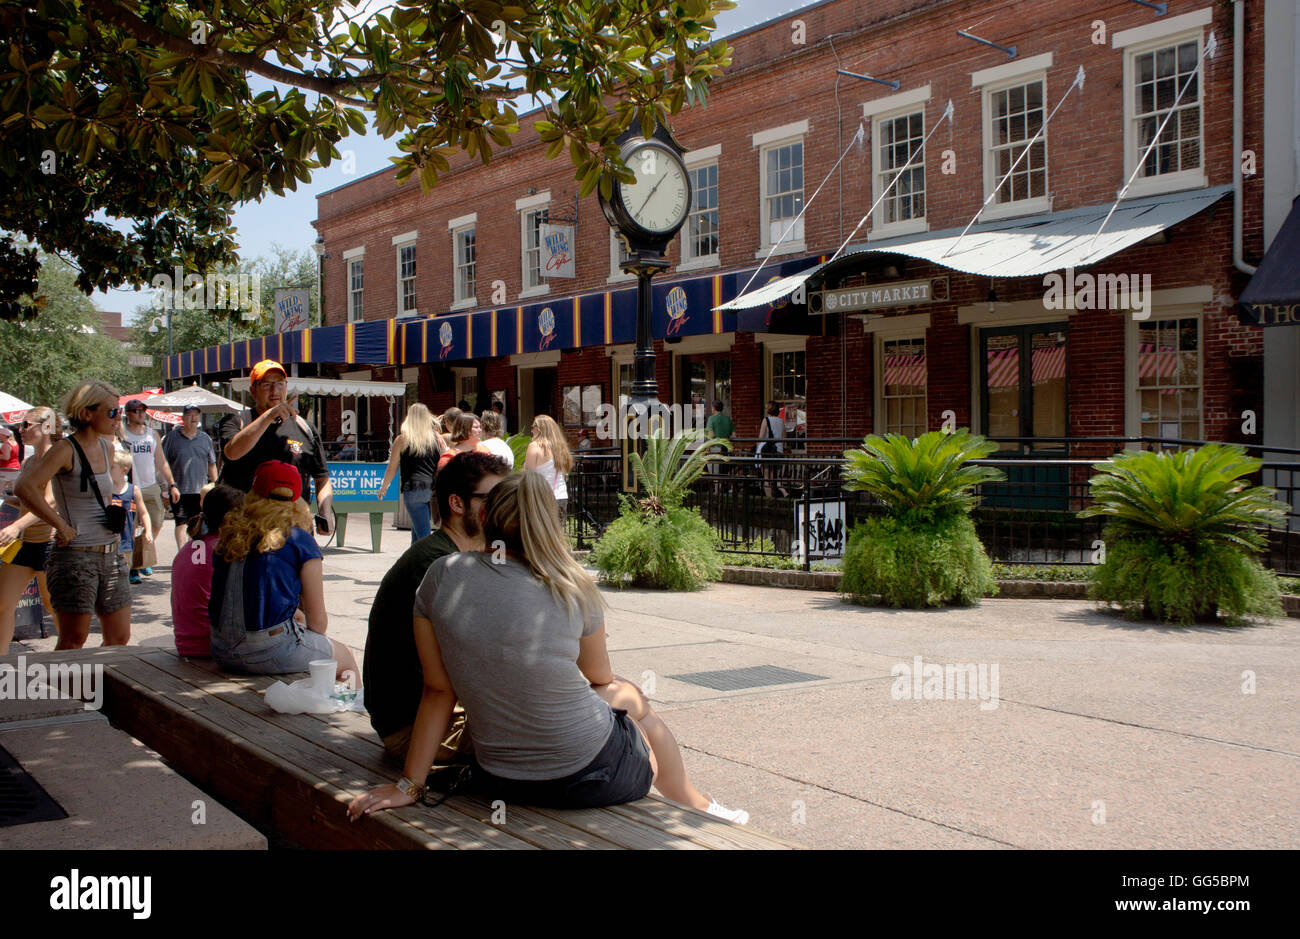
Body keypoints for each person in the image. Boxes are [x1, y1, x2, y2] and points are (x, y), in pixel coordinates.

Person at [347, 471, 748, 823]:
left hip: (502, 779)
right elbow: (599, 677)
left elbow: (438, 691)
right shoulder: (572, 585)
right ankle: (700, 806)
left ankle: (699, 803)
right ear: (551, 524)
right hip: (591, 775)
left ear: (485, 517)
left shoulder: (441, 576)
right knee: (630, 703)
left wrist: (409, 787)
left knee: (624, 699)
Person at [363, 452, 510, 766]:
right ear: (457, 504)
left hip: (423, 720)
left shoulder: (449, 556)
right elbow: (485, 665)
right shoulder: (440, 565)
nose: (505, 507)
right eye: (494, 498)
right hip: (415, 732)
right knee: (581, 728)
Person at [209, 460, 358, 679]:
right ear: (297, 499)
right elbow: (318, 624)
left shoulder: (230, 534)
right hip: (268, 649)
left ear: (253, 493)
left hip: (219, 646)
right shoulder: (300, 541)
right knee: (345, 658)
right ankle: (355, 711)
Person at [15, 380, 133, 649]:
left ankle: (103, 690)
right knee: (73, 641)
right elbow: (25, 487)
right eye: (112, 412)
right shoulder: (65, 450)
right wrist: (60, 524)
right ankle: (67, 691)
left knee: (119, 638)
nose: (117, 418)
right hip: (76, 558)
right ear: (86, 413)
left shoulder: (108, 447)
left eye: (119, 412)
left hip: (111, 554)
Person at [216, 360, 334, 534]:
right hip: (245, 528)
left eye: (280, 384)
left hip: (294, 529)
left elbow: (322, 478)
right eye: (267, 385)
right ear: (253, 391)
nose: (275, 391)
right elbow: (232, 453)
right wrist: (268, 417)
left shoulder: (305, 428)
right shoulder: (237, 421)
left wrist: (325, 514)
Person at [0, 407, 57, 655]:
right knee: (2, 605)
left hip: (50, 544)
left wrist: (16, 526)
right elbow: (25, 502)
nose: (20, 430)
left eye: (26, 425)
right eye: (20, 426)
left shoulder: (57, 459)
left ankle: (73, 662)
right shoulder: (28, 461)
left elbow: (50, 502)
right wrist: (4, 499)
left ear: (46, 427)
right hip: (25, 544)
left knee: (54, 607)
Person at [171, 484, 243, 658]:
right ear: (231, 519)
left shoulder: (189, 547)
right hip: (214, 647)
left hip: (187, 644)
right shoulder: (225, 552)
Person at [120, 398, 180, 583]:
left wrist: (171, 484)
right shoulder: (122, 434)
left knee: (156, 522)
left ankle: (142, 555)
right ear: (128, 414)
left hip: (150, 485)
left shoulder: (151, 434)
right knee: (130, 528)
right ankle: (132, 567)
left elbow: (161, 461)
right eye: (136, 411)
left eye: (142, 410)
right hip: (130, 487)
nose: (140, 414)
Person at [378, 404, 445, 544]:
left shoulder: (402, 440)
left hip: (412, 488)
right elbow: (444, 460)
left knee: (423, 535)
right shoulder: (437, 438)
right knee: (418, 531)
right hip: (432, 490)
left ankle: (426, 563)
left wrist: (384, 486)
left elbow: (392, 467)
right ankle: (413, 564)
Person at [160, 404, 218, 550]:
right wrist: (167, 487)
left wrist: (215, 485)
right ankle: (181, 552)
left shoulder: (205, 438)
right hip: (179, 489)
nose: (194, 418)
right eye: (190, 415)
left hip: (200, 490)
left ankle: (195, 554)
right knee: (180, 521)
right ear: (183, 418)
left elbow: (211, 464)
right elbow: (162, 463)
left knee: (197, 523)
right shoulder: (172, 438)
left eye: (196, 415)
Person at [110, 449, 151, 585]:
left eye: (112, 467)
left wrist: (148, 531)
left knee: (123, 579)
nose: (108, 470)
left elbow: (144, 512)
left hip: (127, 541)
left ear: (124, 470)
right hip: (108, 542)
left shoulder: (133, 490)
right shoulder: (106, 490)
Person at [524, 414, 571, 523]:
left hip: (541, 498)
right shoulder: (560, 448)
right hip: (561, 496)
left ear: (539, 429)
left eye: (532, 427)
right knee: (557, 535)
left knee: (539, 537)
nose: (531, 430)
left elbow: (529, 476)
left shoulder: (534, 446)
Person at [757, 399, 786, 498]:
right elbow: (784, 437)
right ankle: (781, 491)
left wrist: (758, 449)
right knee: (774, 476)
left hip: (768, 451)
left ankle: (769, 498)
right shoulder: (781, 421)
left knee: (766, 477)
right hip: (779, 450)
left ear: (768, 409)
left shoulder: (766, 420)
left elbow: (761, 437)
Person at [0, 424, 20, 496]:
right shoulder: (15, 443)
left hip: (6, 468)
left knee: (0, 489)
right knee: (14, 490)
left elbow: (6, 457)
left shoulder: (6, 444)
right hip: (15, 468)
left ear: (4, 435)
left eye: (0, 435)